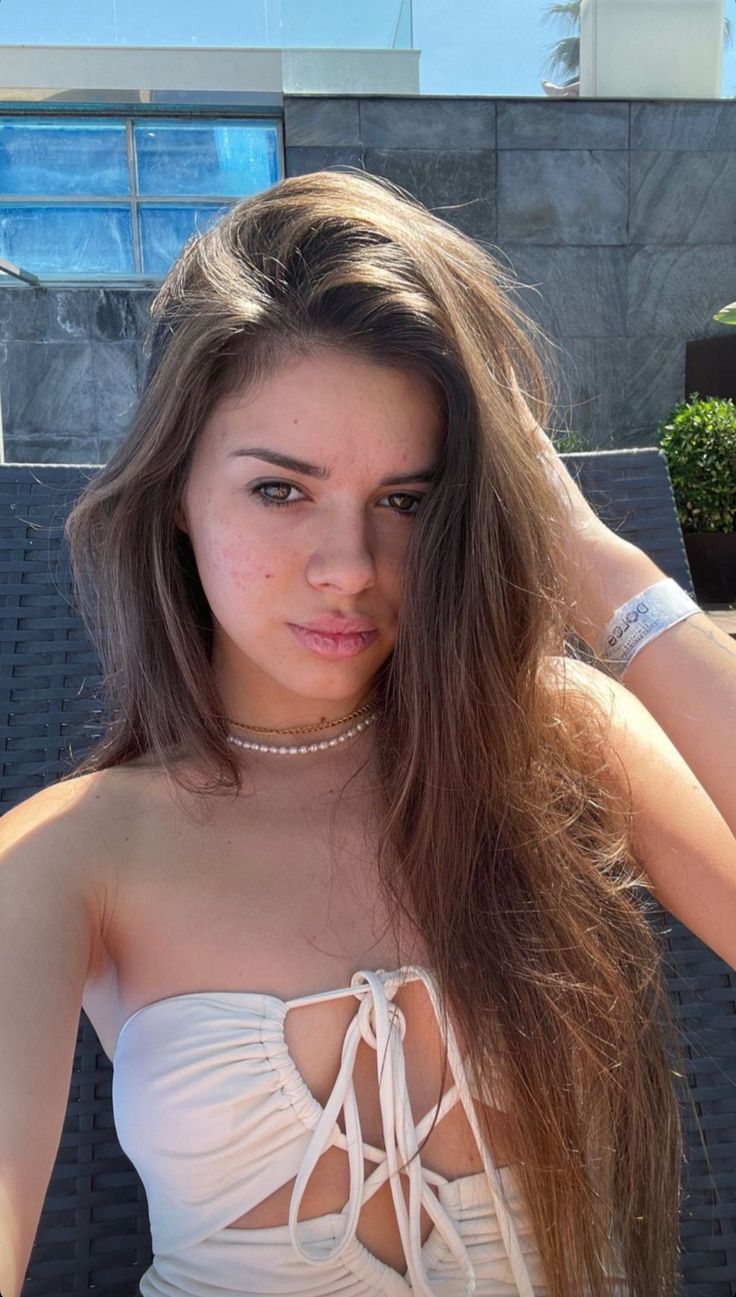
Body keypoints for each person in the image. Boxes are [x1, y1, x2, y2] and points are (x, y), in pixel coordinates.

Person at [1, 168, 735, 1297]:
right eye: (280, 491)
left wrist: (599, 565)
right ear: (176, 493)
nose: (348, 567)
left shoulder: (557, 737)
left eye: (407, 500)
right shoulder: (69, 858)